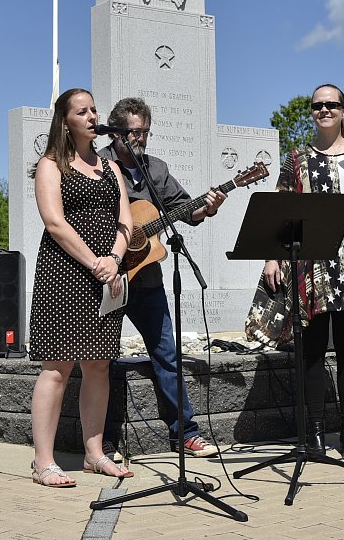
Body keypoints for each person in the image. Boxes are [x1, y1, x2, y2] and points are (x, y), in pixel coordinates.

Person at [253, 84, 344, 462]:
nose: (325, 110)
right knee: (312, 351)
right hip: (310, 267)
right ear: (311, 112)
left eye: (332, 104)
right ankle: (314, 433)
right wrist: (271, 257)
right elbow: (279, 210)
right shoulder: (296, 160)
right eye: (318, 105)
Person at [98, 96, 227, 459]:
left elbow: (185, 209)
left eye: (145, 133)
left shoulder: (156, 169)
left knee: (167, 354)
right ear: (117, 132)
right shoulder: (97, 165)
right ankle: (104, 440)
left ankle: (185, 432)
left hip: (149, 279)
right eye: (134, 134)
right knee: (102, 360)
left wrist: (208, 206)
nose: (140, 140)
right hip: (110, 278)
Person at [28, 87, 135, 487]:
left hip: (107, 276)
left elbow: (125, 220)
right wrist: (93, 262)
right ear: (66, 121)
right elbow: (54, 222)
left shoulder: (111, 168)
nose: (92, 116)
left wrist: (114, 260)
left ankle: (94, 454)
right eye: (82, 111)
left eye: (94, 110)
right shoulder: (52, 164)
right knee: (57, 367)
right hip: (65, 274)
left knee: (99, 364)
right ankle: (44, 461)